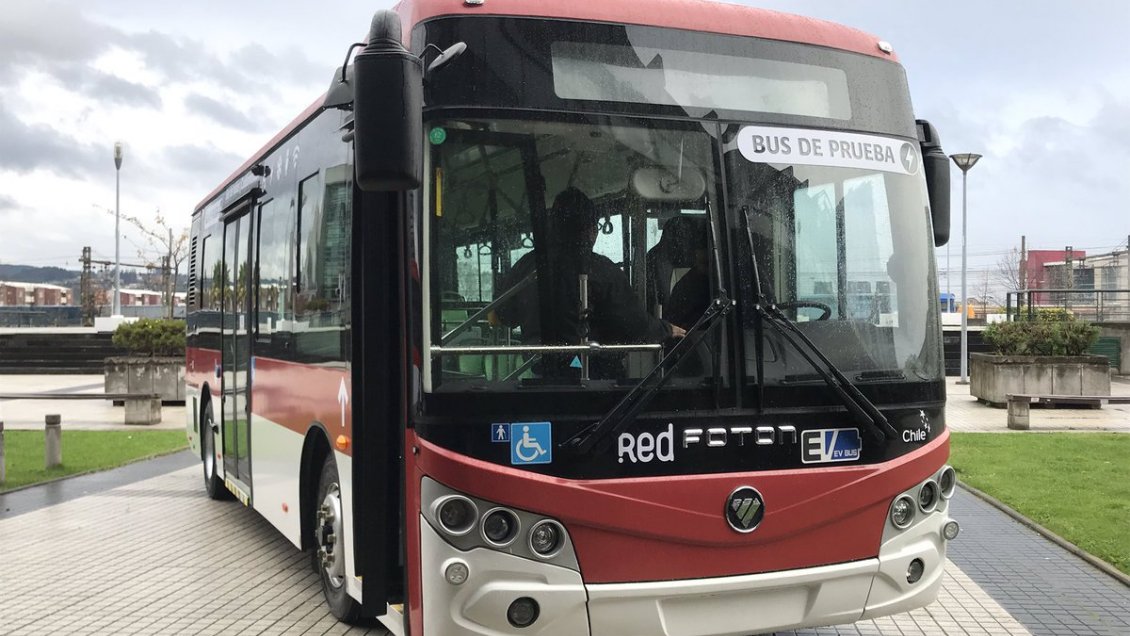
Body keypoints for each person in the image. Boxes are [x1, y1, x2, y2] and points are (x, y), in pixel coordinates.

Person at [495, 187, 683, 377]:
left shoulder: (528, 265)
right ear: (591, 229)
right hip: (593, 379)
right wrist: (665, 329)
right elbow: (632, 325)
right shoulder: (600, 269)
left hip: (540, 372)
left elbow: (503, 315)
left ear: (553, 225)